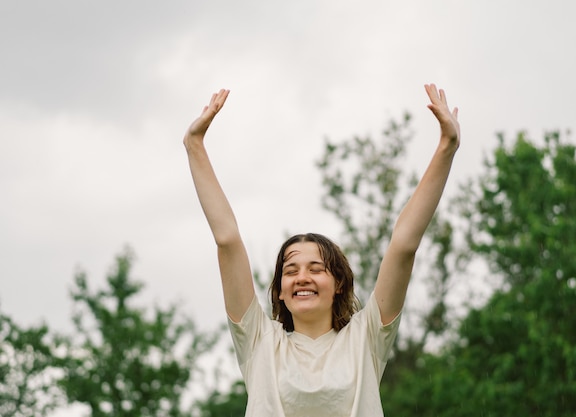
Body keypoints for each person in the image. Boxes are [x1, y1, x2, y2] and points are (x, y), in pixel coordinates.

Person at [183, 84, 460, 416]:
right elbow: (227, 239)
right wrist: (194, 145)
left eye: (316, 269)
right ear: (280, 292)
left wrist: (447, 147)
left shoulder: (365, 338)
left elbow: (403, 245)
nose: (302, 278)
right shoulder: (259, 341)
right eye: (290, 271)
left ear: (338, 283)